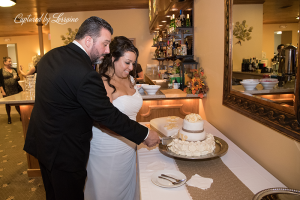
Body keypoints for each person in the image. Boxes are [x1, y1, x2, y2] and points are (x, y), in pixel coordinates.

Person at [23, 16, 160, 200]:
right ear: (88, 40)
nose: (107, 50)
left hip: (43, 144)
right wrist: (144, 134)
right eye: (104, 44)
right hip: (66, 153)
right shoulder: (86, 73)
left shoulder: (50, 56)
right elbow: (106, 115)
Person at [84, 36, 143, 200]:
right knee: (108, 192)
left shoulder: (130, 79)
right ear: (112, 58)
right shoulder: (102, 83)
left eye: (133, 63)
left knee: (127, 190)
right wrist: (141, 135)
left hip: (128, 147)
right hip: (107, 149)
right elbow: (103, 122)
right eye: (127, 62)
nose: (131, 68)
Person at [0, 57, 22, 124]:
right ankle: (9, 117)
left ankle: (21, 115)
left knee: (17, 104)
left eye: (10, 61)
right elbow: (0, 82)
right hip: (7, 90)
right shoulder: (1, 71)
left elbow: (18, 79)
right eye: (9, 61)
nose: (10, 63)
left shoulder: (14, 69)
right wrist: (3, 91)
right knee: (8, 104)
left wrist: (17, 77)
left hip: (15, 89)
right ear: (5, 62)